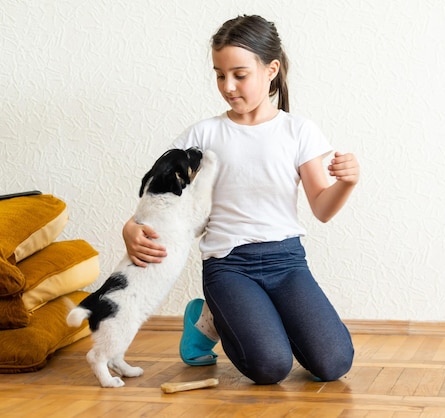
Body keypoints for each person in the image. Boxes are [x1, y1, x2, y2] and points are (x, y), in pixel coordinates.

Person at [123, 15, 359, 385]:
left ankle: (234, 316)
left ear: (271, 69)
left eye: (239, 74)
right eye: (220, 75)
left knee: (334, 363)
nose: (228, 86)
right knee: (270, 367)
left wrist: (347, 183)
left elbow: (322, 209)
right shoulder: (203, 135)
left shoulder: (299, 131)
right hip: (229, 266)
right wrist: (130, 227)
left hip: (287, 263)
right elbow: (160, 191)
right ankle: (209, 320)